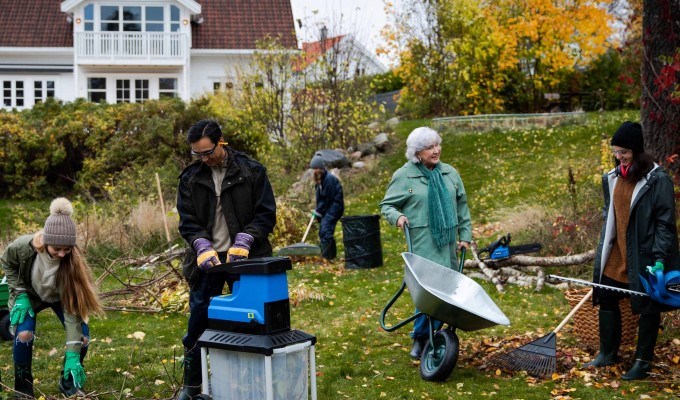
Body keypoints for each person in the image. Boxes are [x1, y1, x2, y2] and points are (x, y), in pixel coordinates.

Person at [176, 119, 276, 399]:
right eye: (197, 154)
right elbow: (187, 221)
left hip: (246, 259)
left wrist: (246, 238)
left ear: (222, 142)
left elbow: (266, 214)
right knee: (198, 322)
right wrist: (200, 244)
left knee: (253, 321)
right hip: (208, 261)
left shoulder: (252, 170)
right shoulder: (190, 177)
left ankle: (254, 384)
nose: (204, 159)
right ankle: (191, 385)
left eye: (208, 152)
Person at [585, 121, 679, 380]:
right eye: (616, 151)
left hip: (646, 255)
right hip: (618, 251)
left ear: (636, 151)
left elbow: (665, 223)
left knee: (649, 305)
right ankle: (607, 353)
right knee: (605, 293)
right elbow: (612, 215)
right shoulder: (613, 177)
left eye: (623, 152)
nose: (619, 156)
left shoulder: (657, 180)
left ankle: (642, 362)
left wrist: (659, 257)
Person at [379, 127, 472, 360]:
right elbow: (387, 206)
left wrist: (466, 236)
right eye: (430, 147)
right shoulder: (404, 175)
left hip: (448, 244)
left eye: (437, 144)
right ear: (417, 152)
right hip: (423, 244)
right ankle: (421, 337)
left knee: (446, 292)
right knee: (428, 293)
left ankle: (433, 336)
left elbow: (462, 206)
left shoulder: (450, 173)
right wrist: (397, 217)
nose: (436, 150)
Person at [0, 197, 104, 398]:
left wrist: (73, 353)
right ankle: (22, 389)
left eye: (67, 249)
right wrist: (20, 293)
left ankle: (68, 382)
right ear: (46, 241)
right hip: (29, 296)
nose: (62, 254)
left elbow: (73, 311)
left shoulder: (71, 263)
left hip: (60, 298)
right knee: (24, 335)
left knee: (82, 338)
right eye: (57, 249)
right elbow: (7, 262)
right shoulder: (23, 246)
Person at [310, 152, 345, 260]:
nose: (315, 170)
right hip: (328, 207)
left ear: (321, 167)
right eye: (314, 168)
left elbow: (327, 199)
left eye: (317, 168)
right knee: (323, 231)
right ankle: (331, 255)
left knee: (325, 230)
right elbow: (320, 198)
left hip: (335, 207)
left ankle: (327, 257)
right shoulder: (319, 179)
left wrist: (319, 210)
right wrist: (318, 211)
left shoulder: (329, 179)